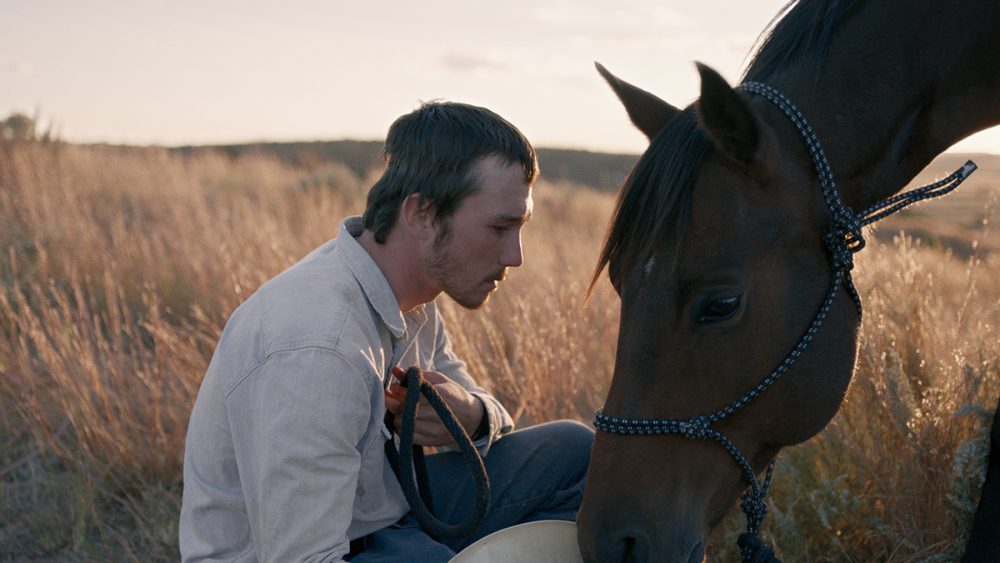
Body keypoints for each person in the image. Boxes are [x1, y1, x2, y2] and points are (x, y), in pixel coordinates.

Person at [179, 101, 594, 562]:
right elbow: (304, 556)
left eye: (520, 227)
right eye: (499, 227)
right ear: (421, 214)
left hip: (380, 510)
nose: (515, 256)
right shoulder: (319, 349)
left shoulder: (410, 296)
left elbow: (492, 418)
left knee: (579, 455)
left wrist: (470, 414)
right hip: (314, 548)